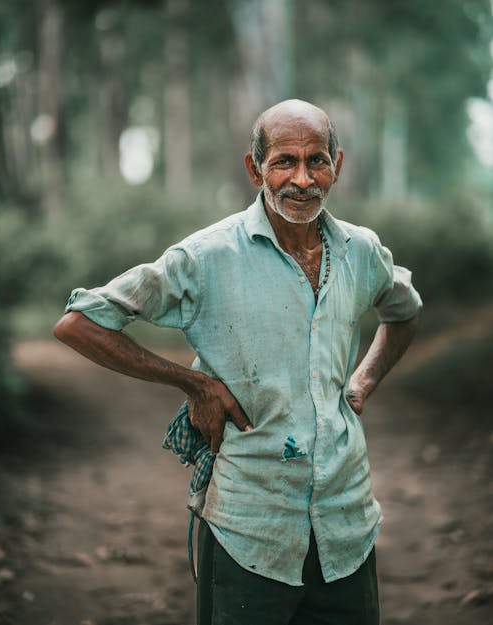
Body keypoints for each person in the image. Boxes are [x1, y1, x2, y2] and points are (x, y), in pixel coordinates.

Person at [54, 99, 422, 625]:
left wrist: (362, 381)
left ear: (338, 165)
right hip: (249, 526)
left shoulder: (360, 252)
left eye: (317, 160)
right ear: (255, 169)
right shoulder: (208, 257)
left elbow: (404, 312)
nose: (302, 178)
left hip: (347, 524)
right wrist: (193, 384)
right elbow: (79, 323)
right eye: (283, 161)